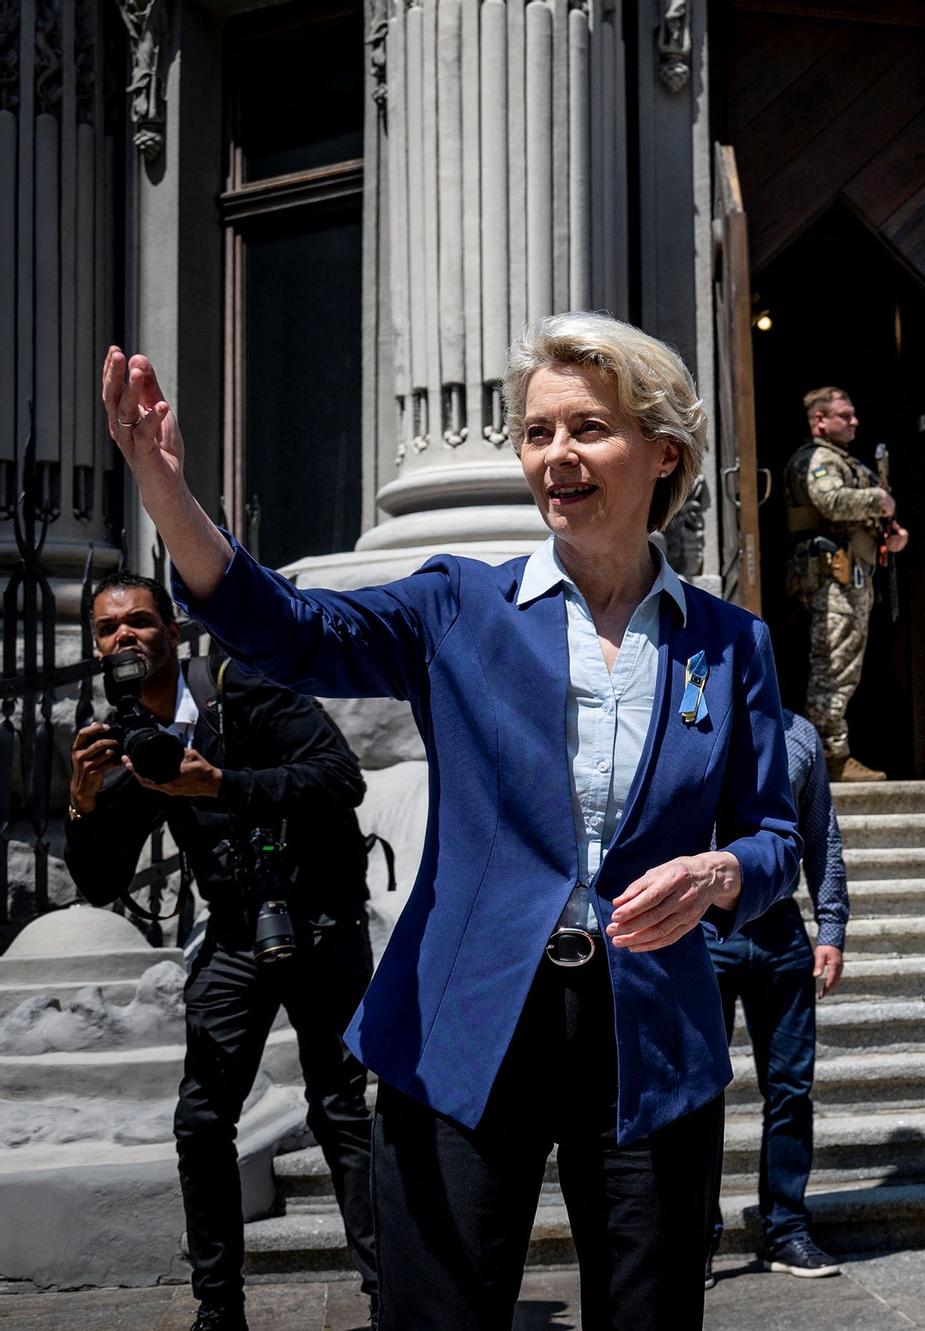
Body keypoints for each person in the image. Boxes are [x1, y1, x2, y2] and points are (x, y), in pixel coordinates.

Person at [100, 310, 800, 1331]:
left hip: (650, 1033)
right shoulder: (459, 606)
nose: (554, 455)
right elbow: (287, 631)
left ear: (662, 454)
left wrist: (720, 876)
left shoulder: (731, 644)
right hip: (468, 1020)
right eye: (536, 431)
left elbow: (776, 838)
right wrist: (167, 492)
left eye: (586, 428)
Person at [65, 570, 377, 1331]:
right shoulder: (132, 740)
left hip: (321, 920)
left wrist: (223, 783)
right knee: (201, 1122)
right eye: (109, 630)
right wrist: (83, 802)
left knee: (340, 1109)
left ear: (173, 631)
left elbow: (342, 779)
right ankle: (218, 1312)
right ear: (97, 648)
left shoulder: (247, 687)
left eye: (141, 620)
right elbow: (101, 882)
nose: (125, 637)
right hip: (237, 931)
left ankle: (391, 1296)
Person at [705, 707, 850, 1286]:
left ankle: (786, 1229)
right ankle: (694, 1237)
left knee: (791, 1087)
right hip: (701, 931)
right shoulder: (687, 719)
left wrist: (832, 928)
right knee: (696, 1094)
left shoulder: (798, 736)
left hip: (780, 931)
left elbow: (822, 835)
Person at [783, 387, 908, 782]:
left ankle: (828, 753)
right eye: (844, 415)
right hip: (833, 579)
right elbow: (831, 502)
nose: (854, 421)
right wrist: (877, 499)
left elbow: (861, 519)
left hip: (852, 577)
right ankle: (828, 757)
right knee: (833, 666)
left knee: (844, 664)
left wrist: (890, 532)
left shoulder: (845, 461)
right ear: (820, 420)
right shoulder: (819, 459)